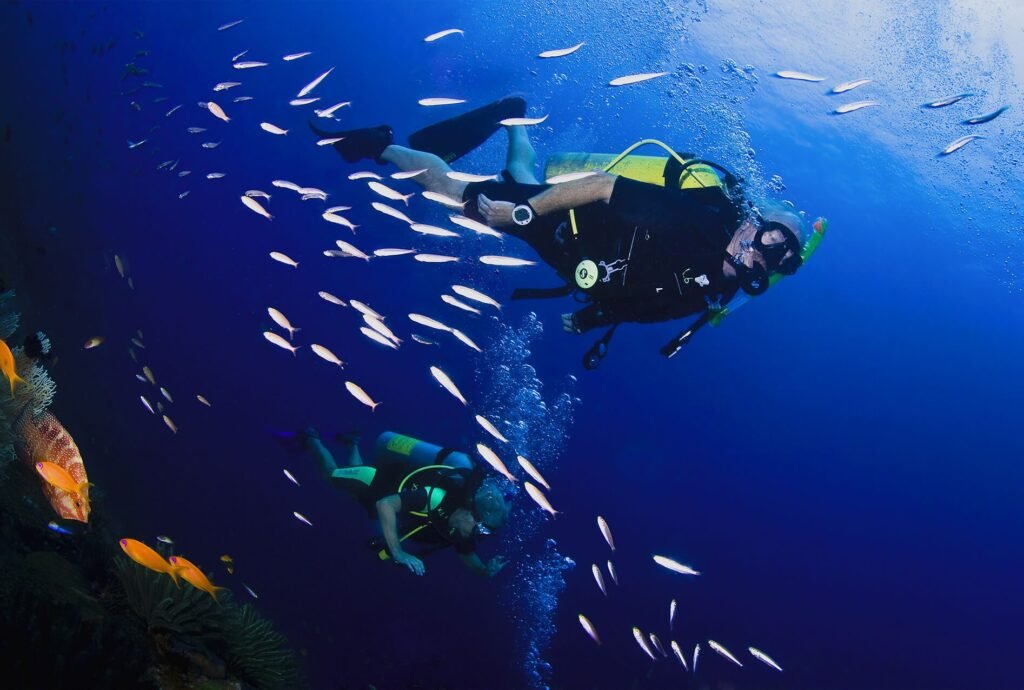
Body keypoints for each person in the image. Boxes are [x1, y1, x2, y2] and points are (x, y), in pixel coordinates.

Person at [311, 96, 819, 366]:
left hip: (573, 252)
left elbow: (650, 303)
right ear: (753, 221)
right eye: (770, 240)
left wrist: (593, 320)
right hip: (569, 219)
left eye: (780, 260)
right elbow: (601, 186)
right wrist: (524, 215)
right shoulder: (696, 219)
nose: (763, 258)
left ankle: (514, 119)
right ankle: (378, 144)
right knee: (450, 192)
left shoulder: (718, 288)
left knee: (525, 178)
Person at [300, 428, 509, 578]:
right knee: (332, 478)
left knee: (355, 496)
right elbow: (386, 505)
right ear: (470, 512)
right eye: (483, 529)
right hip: (376, 481)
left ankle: (351, 442)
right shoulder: (435, 497)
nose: (480, 536)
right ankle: (312, 439)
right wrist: (398, 553)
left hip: (380, 504)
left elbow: (467, 553)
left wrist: (484, 571)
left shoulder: (462, 528)